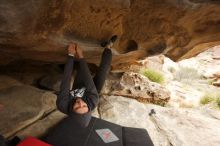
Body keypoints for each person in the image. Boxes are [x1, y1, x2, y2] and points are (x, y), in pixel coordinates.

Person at [56, 36, 117, 127]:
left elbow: (66, 79)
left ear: (71, 111)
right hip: (93, 90)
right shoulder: (93, 101)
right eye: (84, 106)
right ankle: (108, 46)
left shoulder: (62, 104)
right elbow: (88, 79)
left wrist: (71, 55)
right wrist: (81, 56)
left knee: (81, 70)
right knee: (103, 71)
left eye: (77, 107)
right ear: (88, 108)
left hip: (79, 86)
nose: (80, 103)